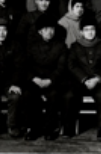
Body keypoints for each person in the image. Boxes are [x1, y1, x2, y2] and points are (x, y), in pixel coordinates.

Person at [23, 13, 73, 141]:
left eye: (51, 28)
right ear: (40, 31)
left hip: (53, 81)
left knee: (54, 95)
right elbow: (26, 66)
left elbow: (61, 68)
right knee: (29, 94)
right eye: (45, 29)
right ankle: (33, 128)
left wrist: (50, 80)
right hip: (36, 80)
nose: (49, 32)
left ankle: (49, 129)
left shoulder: (61, 46)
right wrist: (35, 79)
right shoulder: (31, 46)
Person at [66, 16, 101, 142]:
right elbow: (71, 65)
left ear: (96, 30)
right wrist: (84, 79)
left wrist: (96, 79)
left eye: (92, 29)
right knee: (69, 96)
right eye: (86, 30)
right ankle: (68, 128)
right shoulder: (75, 46)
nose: (90, 32)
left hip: (98, 82)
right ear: (81, 32)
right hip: (80, 82)